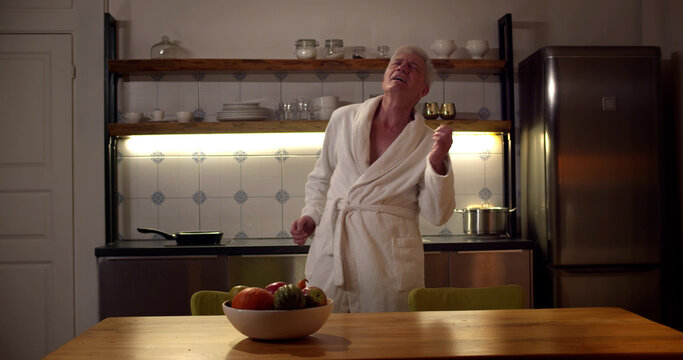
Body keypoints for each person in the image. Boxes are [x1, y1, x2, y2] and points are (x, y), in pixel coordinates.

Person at [290, 45, 455, 313]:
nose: (402, 67)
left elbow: (437, 214)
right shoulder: (343, 119)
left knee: (384, 344)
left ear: (423, 91)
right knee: (324, 341)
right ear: (384, 76)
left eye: (412, 67)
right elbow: (321, 178)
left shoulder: (427, 142)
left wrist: (437, 162)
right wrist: (311, 216)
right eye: (397, 63)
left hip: (386, 262)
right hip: (333, 252)